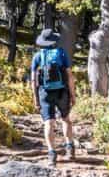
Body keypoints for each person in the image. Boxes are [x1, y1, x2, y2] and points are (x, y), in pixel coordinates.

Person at [30, 28, 78, 166]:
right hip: (62, 91)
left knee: (48, 123)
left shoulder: (37, 56)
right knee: (66, 119)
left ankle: (52, 153)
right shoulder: (61, 54)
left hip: (45, 93)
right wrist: (73, 95)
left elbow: (33, 80)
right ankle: (70, 149)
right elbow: (69, 76)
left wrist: (35, 98)